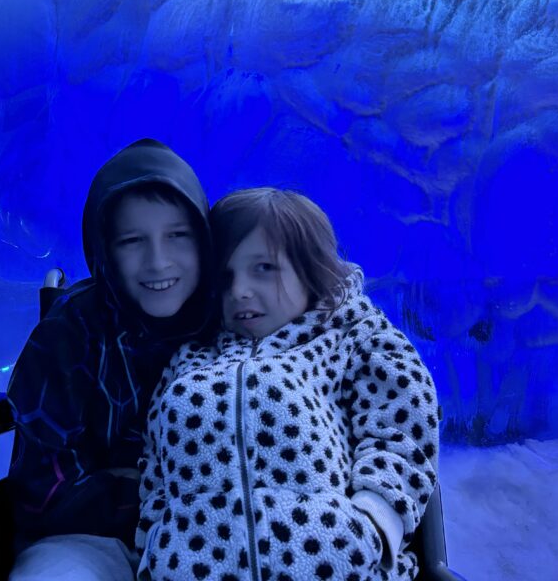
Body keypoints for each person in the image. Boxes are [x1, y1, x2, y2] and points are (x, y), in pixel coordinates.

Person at [135, 188, 441, 581]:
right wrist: (154, 545)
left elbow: (404, 429)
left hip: (333, 567)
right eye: (226, 275)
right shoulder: (192, 356)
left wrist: (372, 526)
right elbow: (156, 462)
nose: (240, 289)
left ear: (310, 269)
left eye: (264, 267)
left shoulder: (353, 336)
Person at [4, 139, 216, 581]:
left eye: (177, 236)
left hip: (216, 536)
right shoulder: (69, 331)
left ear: (204, 240)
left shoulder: (232, 317)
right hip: (89, 542)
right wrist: (148, 499)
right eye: (133, 241)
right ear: (104, 251)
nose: (158, 261)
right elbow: (41, 490)